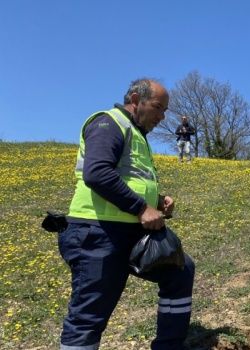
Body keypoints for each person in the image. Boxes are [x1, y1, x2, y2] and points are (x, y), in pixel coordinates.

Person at [58, 78, 196, 350]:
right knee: (89, 315)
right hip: (97, 232)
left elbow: (129, 179)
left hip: (130, 232)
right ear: (136, 100)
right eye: (158, 107)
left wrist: (156, 200)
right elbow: (97, 173)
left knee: (181, 269)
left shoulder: (137, 135)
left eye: (165, 110)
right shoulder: (107, 123)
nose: (162, 116)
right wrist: (142, 208)